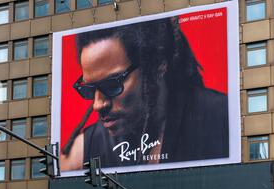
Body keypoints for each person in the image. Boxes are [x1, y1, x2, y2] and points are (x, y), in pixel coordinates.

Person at [60, 17, 228, 171]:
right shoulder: (83, 153)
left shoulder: (224, 119)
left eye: (112, 84)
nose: (98, 104)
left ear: (157, 65)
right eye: (89, 88)